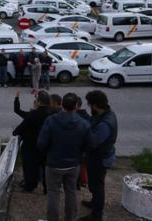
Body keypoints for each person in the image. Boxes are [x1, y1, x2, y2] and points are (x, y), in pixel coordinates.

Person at [38, 93, 90, 221]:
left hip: (54, 164)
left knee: (53, 193)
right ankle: (70, 218)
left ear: (62, 104)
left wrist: (48, 154)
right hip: (73, 165)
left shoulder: (51, 121)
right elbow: (88, 145)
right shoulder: (83, 123)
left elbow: (41, 143)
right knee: (71, 192)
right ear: (76, 106)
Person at [79, 91, 117, 221]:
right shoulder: (105, 114)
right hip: (99, 156)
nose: (89, 107)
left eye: (90, 105)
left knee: (97, 186)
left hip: (100, 159)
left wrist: (83, 133)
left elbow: (93, 142)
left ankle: (96, 215)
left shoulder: (105, 124)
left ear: (95, 105)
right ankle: (94, 202)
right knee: (94, 184)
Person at [13, 91, 52, 192]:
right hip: (47, 145)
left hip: (31, 144)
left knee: (30, 167)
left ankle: (29, 186)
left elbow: (21, 127)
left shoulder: (33, 114)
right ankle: (46, 188)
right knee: (45, 167)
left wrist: (16, 132)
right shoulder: (52, 114)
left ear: (38, 102)